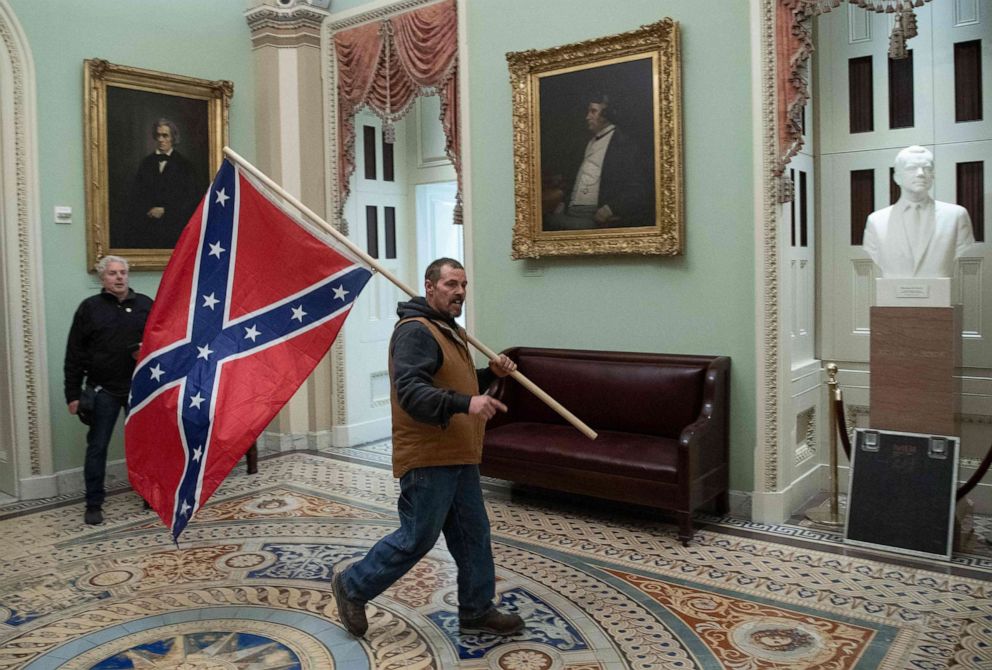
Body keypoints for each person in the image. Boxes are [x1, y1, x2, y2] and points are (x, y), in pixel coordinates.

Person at [332, 258, 525, 638]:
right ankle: (353, 586)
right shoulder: (416, 332)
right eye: (451, 284)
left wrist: (489, 375)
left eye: (464, 285)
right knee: (416, 537)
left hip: (459, 453)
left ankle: (476, 609)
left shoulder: (447, 329)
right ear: (430, 286)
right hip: (429, 456)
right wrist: (466, 404)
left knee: (473, 534)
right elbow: (413, 392)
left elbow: (450, 382)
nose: (460, 292)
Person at [64, 255, 153, 525]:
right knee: (97, 447)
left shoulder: (145, 304)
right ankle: (93, 503)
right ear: (102, 278)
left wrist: (145, 352)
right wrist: (72, 394)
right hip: (103, 389)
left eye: (123, 272)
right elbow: (74, 353)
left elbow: (162, 340)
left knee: (145, 444)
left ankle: (150, 494)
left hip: (139, 388)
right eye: (113, 273)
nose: (119, 278)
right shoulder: (89, 308)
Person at [863, 145, 975, 278]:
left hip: (938, 292)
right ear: (897, 177)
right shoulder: (876, 220)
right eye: (911, 168)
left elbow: (962, 248)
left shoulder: (956, 216)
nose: (921, 173)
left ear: (933, 175)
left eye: (927, 168)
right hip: (894, 293)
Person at [544, 93, 652, 231]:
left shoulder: (624, 145)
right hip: (571, 212)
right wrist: (564, 202)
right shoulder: (588, 142)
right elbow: (578, 178)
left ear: (608, 114)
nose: (587, 117)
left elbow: (640, 189)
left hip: (595, 217)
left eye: (593, 111)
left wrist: (610, 209)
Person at [119, 118, 202, 249]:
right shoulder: (146, 163)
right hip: (147, 228)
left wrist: (166, 211)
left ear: (173, 138)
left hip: (173, 229)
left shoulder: (185, 165)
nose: (161, 139)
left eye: (165, 135)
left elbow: (191, 199)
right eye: (158, 135)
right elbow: (136, 194)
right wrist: (148, 210)